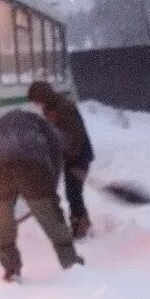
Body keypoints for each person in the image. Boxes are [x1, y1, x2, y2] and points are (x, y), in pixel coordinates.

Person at [0, 108, 84, 282]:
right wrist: (48, 195)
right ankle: (70, 263)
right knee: (52, 220)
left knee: (2, 222)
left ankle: (11, 270)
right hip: (31, 166)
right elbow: (56, 159)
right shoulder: (44, 128)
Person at [27, 80, 95, 239]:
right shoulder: (51, 107)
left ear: (42, 95)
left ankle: (80, 227)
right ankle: (83, 222)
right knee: (73, 191)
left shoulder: (63, 108)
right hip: (71, 156)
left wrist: (71, 156)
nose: (37, 104)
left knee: (73, 193)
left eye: (36, 100)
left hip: (78, 155)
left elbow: (75, 135)